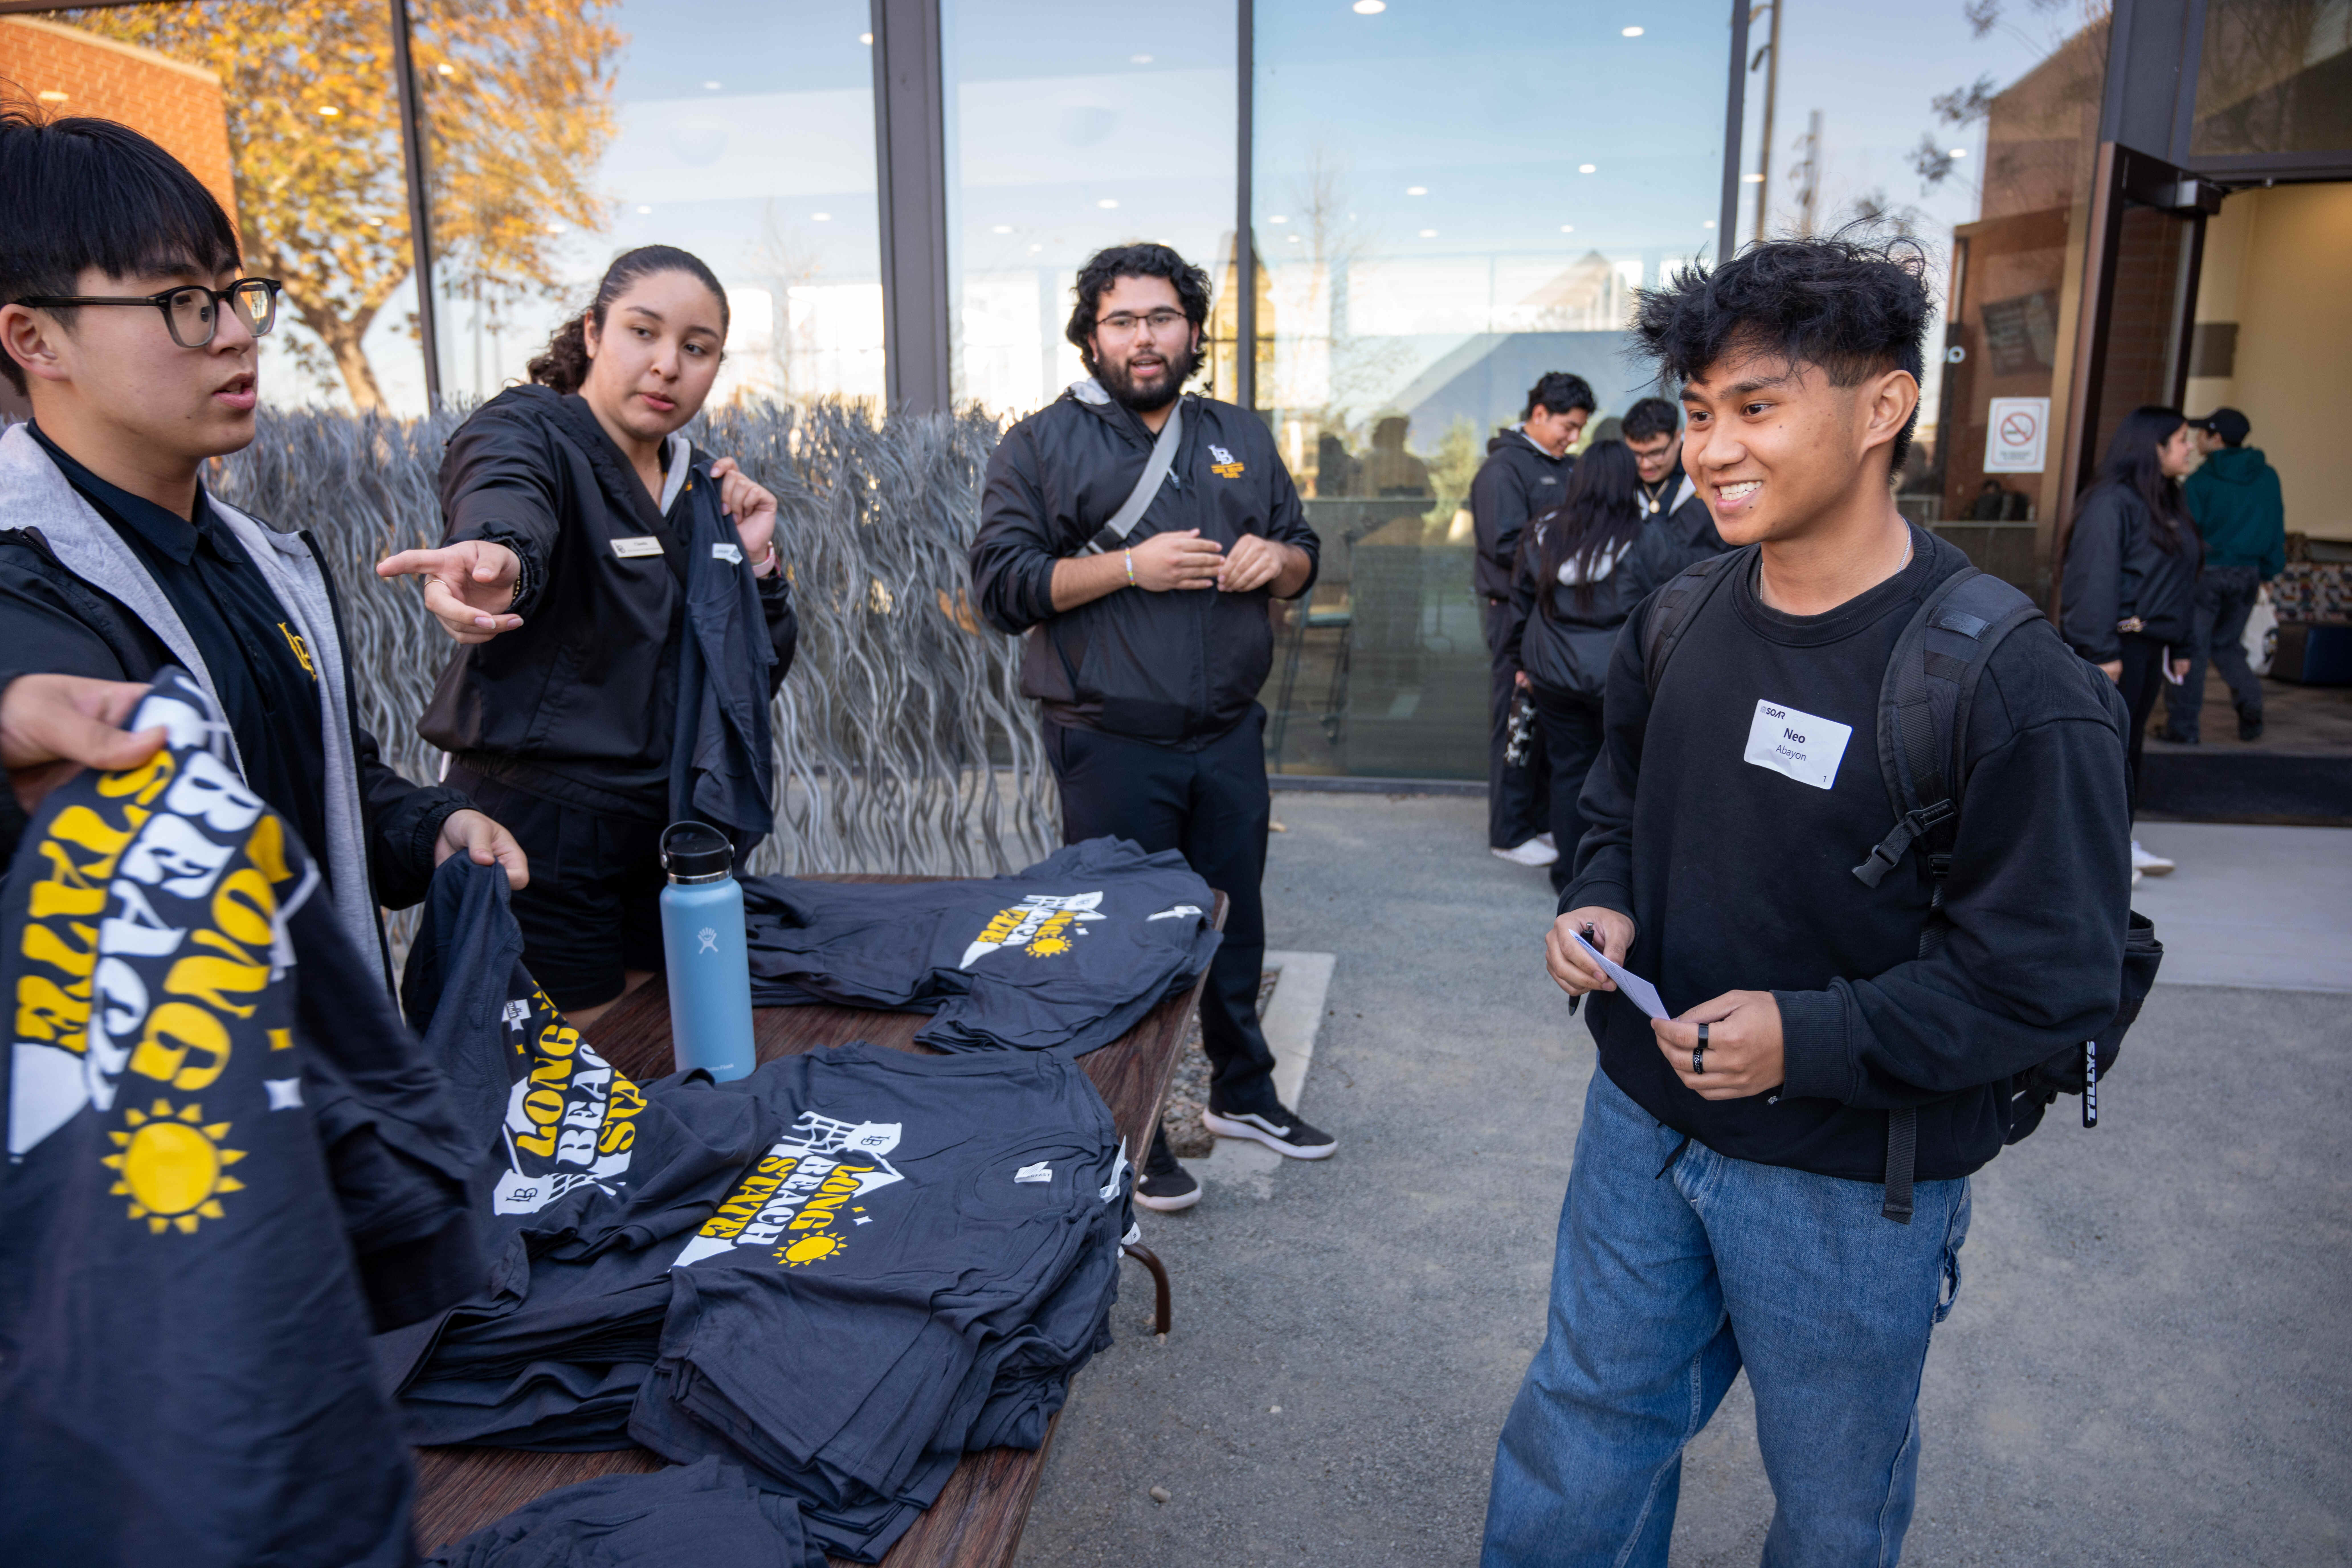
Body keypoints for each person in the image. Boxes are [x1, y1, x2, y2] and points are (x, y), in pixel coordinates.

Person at [1482, 238, 2131, 1566]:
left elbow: (2047, 977)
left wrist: (1808, 1037)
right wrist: (1601, 900)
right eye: (1699, 410)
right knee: (1580, 1427)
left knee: (1833, 1508)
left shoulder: (2006, 680)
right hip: (1639, 1123)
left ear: (1883, 406)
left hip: (1851, 1179)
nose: (1713, 448)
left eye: (1756, 406)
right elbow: (1615, 798)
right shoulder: (1681, 610)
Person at [0, 111, 524, 980]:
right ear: (36, 339)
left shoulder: (262, 560)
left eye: (233, 294)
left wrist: (431, 827)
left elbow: (323, 786)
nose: (238, 334)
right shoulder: (26, 579)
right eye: (182, 303)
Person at [969, 242, 1331, 1215]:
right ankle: (1128, 1128)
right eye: (1122, 320)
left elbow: (1303, 548)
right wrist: (1129, 567)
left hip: (1228, 731)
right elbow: (1001, 588)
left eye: (1162, 317)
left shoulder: (1238, 433)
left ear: (1192, 330)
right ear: (1090, 335)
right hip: (1109, 739)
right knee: (1123, 941)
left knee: (1234, 922)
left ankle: (1242, 1096)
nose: (1143, 337)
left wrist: (1277, 563)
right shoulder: (1039, 444)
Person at [377, 246, 797, 1025]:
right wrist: (500, 558)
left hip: (665, 833)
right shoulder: (529, 431)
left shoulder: (701, 486)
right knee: (575, 1072)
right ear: (594, 333)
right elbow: (506, 496)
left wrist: (755, 566)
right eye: (643, 332)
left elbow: (745, 677)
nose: (667, 365)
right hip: (540, 834)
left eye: (697, 347)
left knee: (658, 1050)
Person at [2059, 406, 2199, 882]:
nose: (2190, 448)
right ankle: (2093, 855)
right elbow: (2092, 579)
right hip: (2115, 649)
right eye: (2182, 439)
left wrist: (2182, 643)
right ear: (2153, 446)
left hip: (2150, 646)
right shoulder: (2112, 502)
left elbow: (2180, 579)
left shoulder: (2168, 499)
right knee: (2102, 750)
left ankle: (2116, 844)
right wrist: (2100, 651)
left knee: (2128, 747)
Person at [1503, 440, 1645, 895]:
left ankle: (1568, 873)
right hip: (1619, 678)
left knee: (1567, 771)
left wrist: (1519, 660)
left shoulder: (1542, 531)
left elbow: (1520, 602)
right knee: (1622, 777)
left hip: (1552, 672)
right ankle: (1610, 879)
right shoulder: (1646, 536)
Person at [1471, 371, 1594, 869]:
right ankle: (1509, 831)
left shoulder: (1566, 467)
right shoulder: (1503, 469)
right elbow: (1503, 545)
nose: (1574, 438)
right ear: (1539, 414)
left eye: (1581, 428)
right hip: (1513, 611)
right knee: (1515, 718)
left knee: (1547, 719)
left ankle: (1540, 820)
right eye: (1568, 426)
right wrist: (1570, 557)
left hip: (1554, 612)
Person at [2162, 407, 2282, 744]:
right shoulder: (2268, 477)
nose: (2196, 440)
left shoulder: (2200, 481)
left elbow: (2187, 537)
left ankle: (2183, 728)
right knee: (2227, 644)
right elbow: (2276, 528)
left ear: (2216, 438)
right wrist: (2269, 573)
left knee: (2192, 650)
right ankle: (2251, 704)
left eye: (2202, 433)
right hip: (2248, 574)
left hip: (2207, 575)